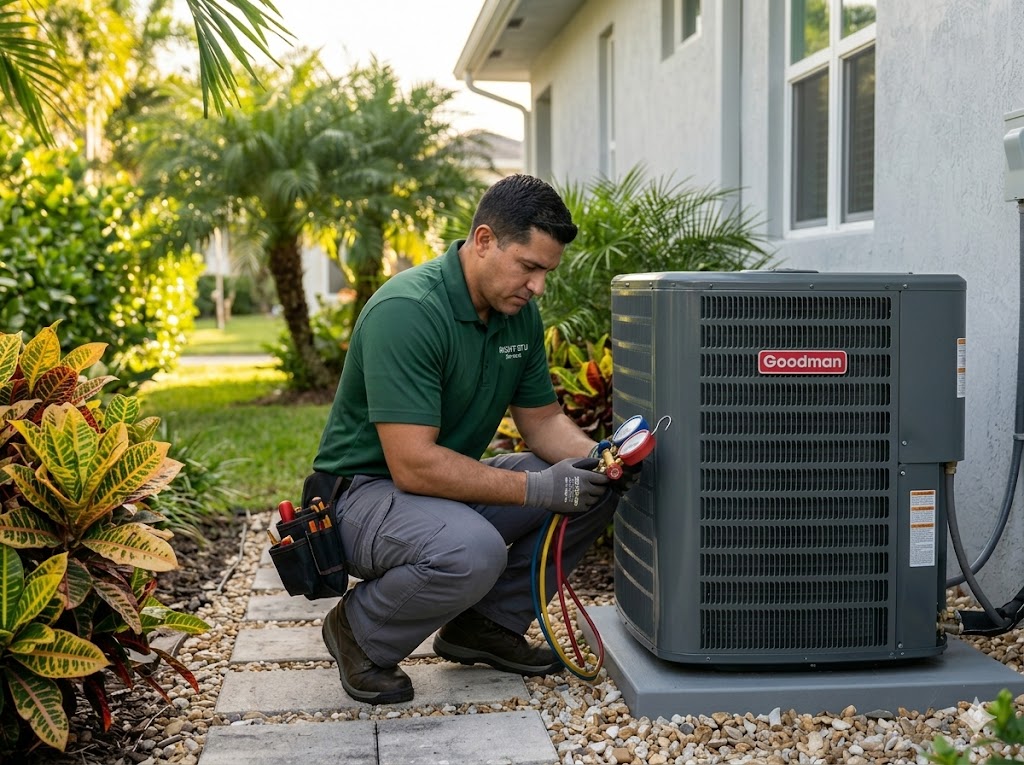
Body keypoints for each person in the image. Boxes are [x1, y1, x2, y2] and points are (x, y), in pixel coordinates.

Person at [307, 173, 638, 704]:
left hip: (438, 488)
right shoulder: (409, 311)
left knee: (593, 489)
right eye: (529, 268)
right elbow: (413, 464)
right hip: (362, 494)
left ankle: (483, 626)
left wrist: (606, 460)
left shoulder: (518, 315)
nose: (538, 287)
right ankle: (359, 628)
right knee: (472, 549)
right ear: (483, 241)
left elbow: (542, 422)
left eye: (546, 272)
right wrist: (539, 490)